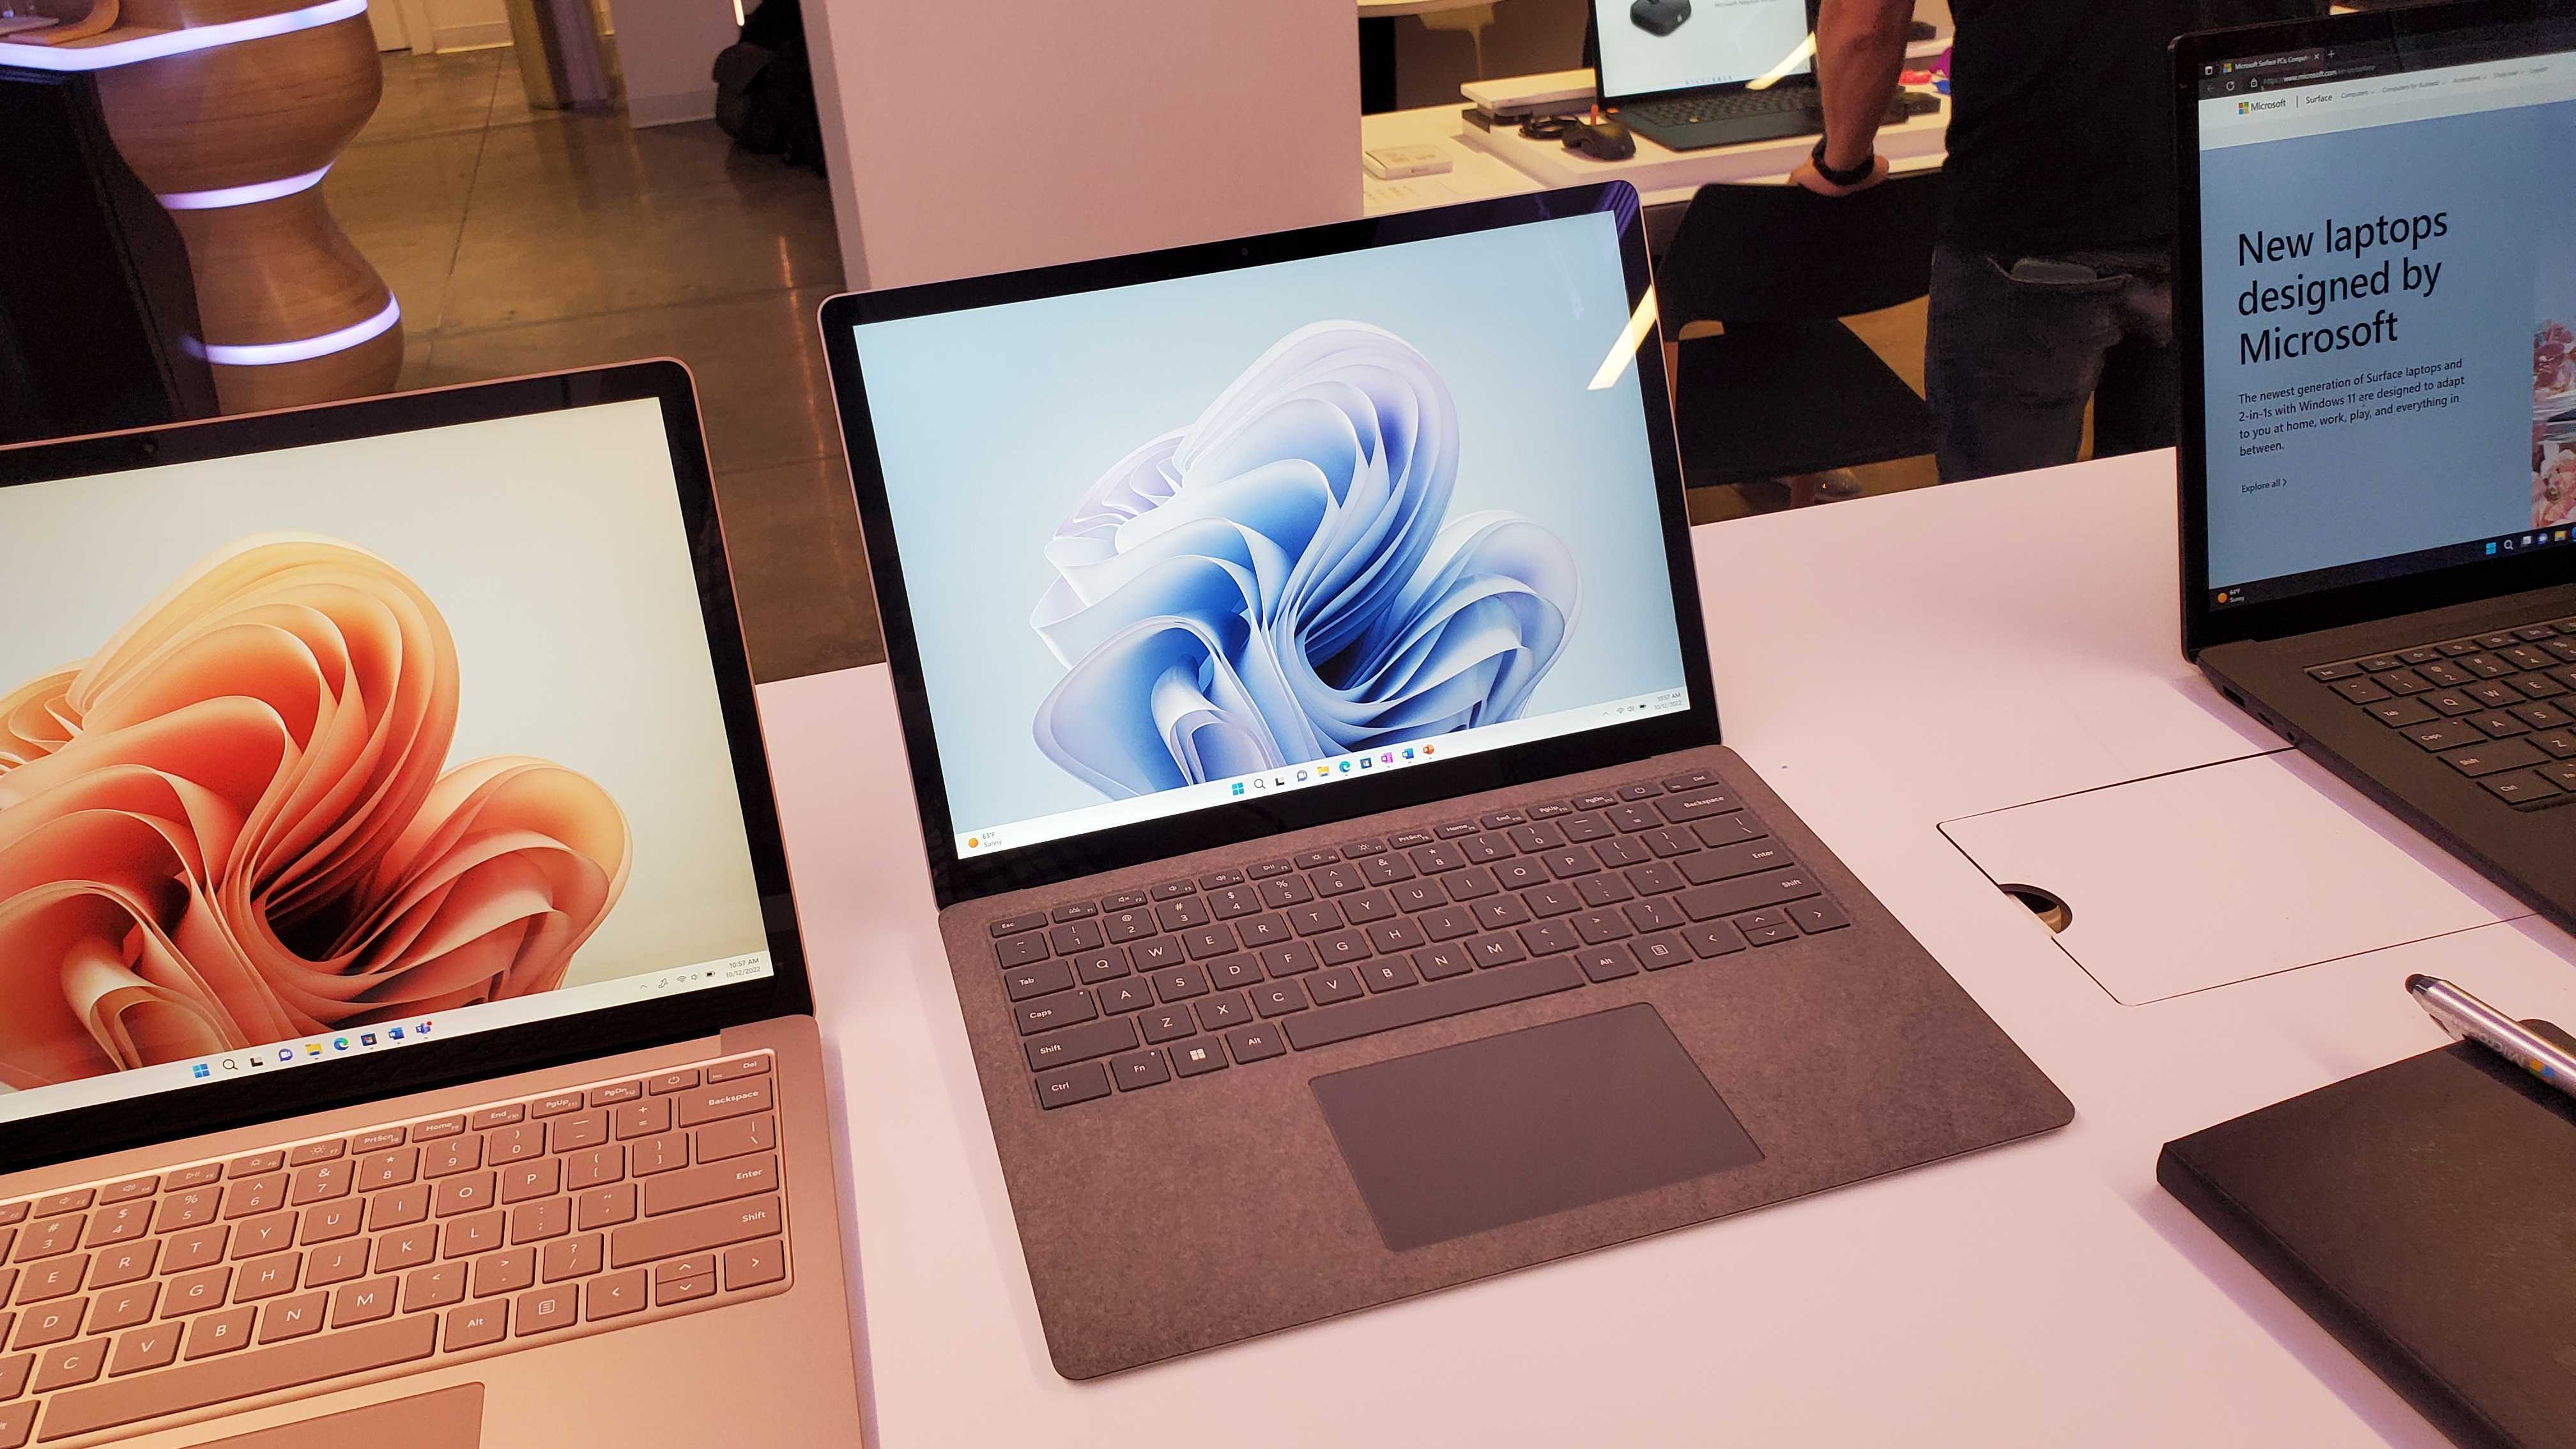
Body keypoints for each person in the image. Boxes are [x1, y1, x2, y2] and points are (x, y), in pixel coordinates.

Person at [1793, 1, 2318, 483]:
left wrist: (1843, 163)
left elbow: (1865, 24)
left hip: (2036, 212)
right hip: (2235, 195)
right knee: (2174, 512)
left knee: (2009, 519)